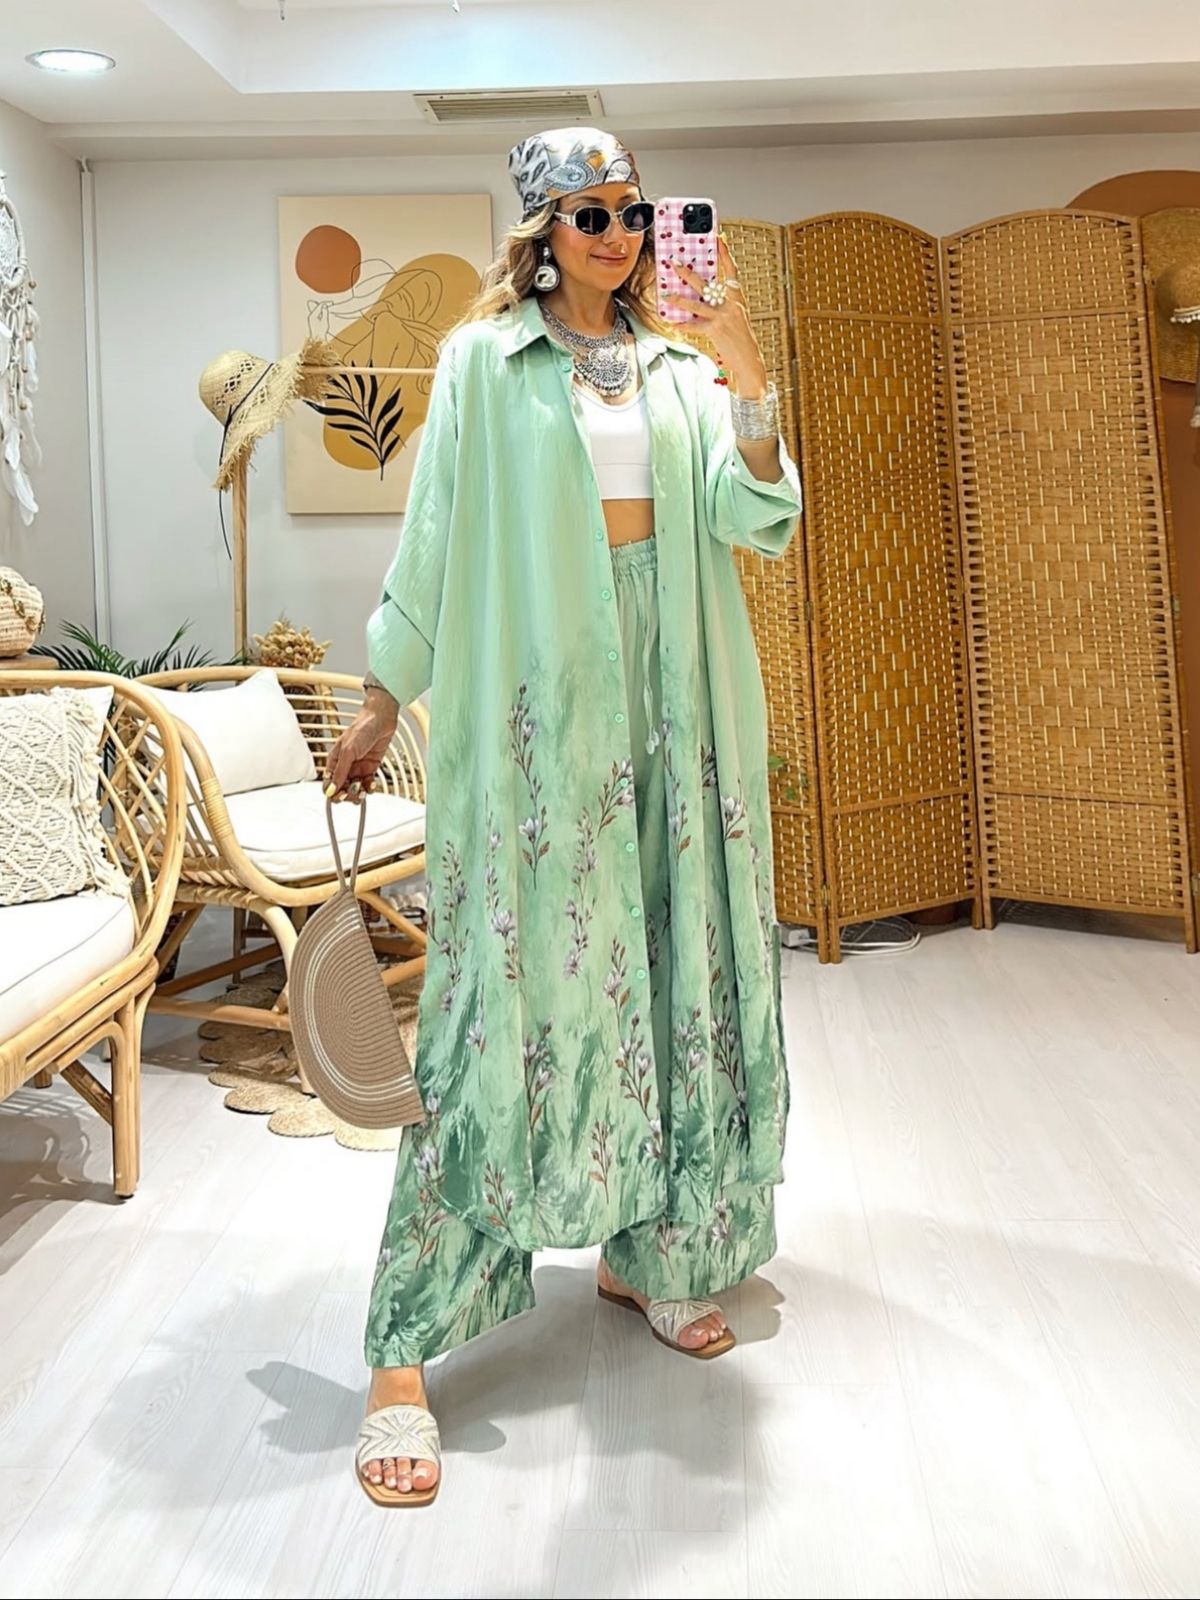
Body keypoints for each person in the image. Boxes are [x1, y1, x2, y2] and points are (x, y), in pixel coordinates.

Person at [325, 127, 802, 1507]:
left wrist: (749, 372)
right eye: (589, 214)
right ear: (540, 230)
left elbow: (756, 520)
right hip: (545, 691)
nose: (618, 234)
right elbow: (433, 533)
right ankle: (406, 1348)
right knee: (503, 999)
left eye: (632, 211)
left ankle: (654, 1250)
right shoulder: (485, 363)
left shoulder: (682, 367)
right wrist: (380, 700)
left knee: (672, 965)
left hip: (679, 686)